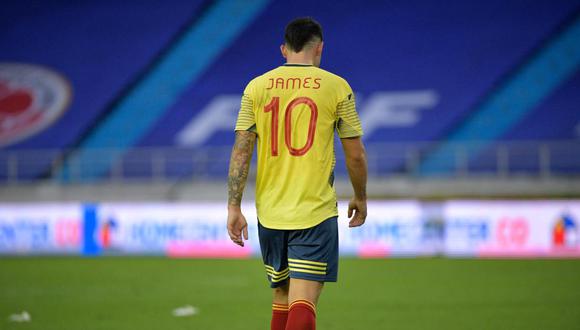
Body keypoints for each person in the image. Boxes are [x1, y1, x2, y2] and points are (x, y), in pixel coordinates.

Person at [227, 17, 367, 330]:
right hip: (313, 211)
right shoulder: (336, 86)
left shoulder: (256, 87)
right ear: (320, 48)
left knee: (283, 297)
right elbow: (355, 154)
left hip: (271, 213)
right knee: (303, 301)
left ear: (283, 49)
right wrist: (360, 196)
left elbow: (240, 151)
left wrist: (233, 207)